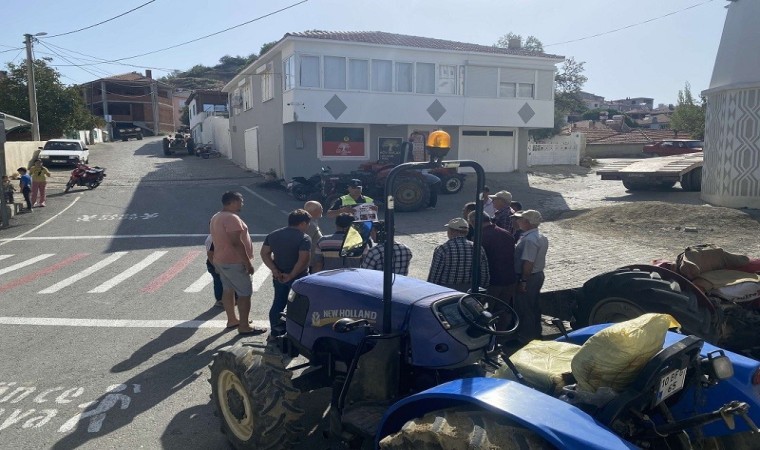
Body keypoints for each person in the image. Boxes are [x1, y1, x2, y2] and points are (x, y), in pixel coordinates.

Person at [209, 191, 265, 335]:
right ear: (232, 202)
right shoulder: (232, 218)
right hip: (234, 262)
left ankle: (232, 319)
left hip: (221, 260)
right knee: (245, 293)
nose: (242, 204)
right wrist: (247, 262)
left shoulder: (217, 216)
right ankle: (244, 326)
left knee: (228, 290)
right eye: (240, 201)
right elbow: (236, 243)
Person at [260, 209, 312, 337]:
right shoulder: (304, 238)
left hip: (279, 277)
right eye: (308, 224)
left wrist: (275, 270)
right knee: (298, 307)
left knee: (278, 303)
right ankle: (295, 335)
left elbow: (264, 253)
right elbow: (303, 260)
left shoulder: (273, 234)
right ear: (303, 223)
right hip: (299, 278)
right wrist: (291, 275)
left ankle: (275, 332)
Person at [469, 210, 516, 341]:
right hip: (509, 279)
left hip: (492, 281)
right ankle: (501, 338)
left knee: (485, 312)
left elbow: (478, 262)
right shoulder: (506, 233)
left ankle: (487, 340)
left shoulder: (480, 237)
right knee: (503, 310)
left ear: (474, 222)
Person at [512, 209, 549, 345]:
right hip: (537, 274)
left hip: (529, 277)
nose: (518, 221)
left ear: (527, 222)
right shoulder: (540, 236)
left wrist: (523, 281)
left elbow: (528, 262)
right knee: (533, 306)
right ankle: (535, 332)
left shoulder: (529, 240)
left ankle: (526, 338)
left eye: (521, 219)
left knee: (525, 307)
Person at [428, 217, 490, 292]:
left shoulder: (443, 249)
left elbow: (434, 275)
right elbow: (484, 274)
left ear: (451, 232)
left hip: (446, 290)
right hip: (469, 290)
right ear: (466, 232)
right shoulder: (478, 248)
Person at [303, 200, 324, 272]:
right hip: (309, 262)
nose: (322, 210)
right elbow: (305, 242)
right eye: (320, 208)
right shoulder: (310, 225)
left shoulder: (313, 222)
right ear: (314, 211)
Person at [204, 234, 224, 308]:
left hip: (218, 263)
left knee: (221, 281)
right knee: (218, 281)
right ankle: (220, 300)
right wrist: (215, 266)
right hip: (214, 265)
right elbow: (210, 254)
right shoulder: (214, 238)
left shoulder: (215, 236)